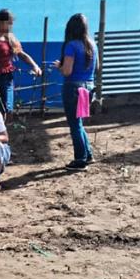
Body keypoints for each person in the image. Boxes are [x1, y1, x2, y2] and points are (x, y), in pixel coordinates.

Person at [0, 9, 42, 122]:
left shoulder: (9, 37)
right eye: (8, 22)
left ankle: (4, 134)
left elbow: (21, 54)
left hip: (9, 77)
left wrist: (34, 65)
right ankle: (1, 134)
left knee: (8, 109)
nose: (11, 25)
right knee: (4, 109)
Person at [53, 13, 97, 172]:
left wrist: (59, 66)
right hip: (88, 88)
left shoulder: (71, 45)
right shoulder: (93, 45)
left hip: (73, 88)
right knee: (79, 124)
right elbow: (96, 69)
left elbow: (67, 71)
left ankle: (80, 160)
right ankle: (88, 155)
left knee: (74, 125)